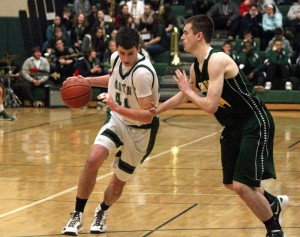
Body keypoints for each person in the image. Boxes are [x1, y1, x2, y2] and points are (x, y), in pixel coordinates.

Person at [155, 15, 288, 237]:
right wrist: (157, 109)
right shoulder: (196, 69)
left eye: (186, 33)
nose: (183, 37)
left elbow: (209, 106)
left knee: (242, 185)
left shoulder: (217, 60)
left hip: (253, 121)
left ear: (198, 35)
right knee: (230, 182)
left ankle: (275, 230)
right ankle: (273, 202)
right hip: (233, 126)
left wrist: (189, 91)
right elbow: (184, 95)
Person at [62, 27, 160, 236]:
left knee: (116, 185)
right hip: (117, 120)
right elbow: (113, 79)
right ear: (116, 49)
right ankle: (77, 215)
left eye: (130, 54)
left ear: (139, 49)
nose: (126, 58)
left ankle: (102, 210)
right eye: (122, 52)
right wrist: (84, 81)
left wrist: (115, 106)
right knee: (92, 159)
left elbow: (147, 116)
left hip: (140, 130)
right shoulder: (116, 59)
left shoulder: (142, 73)